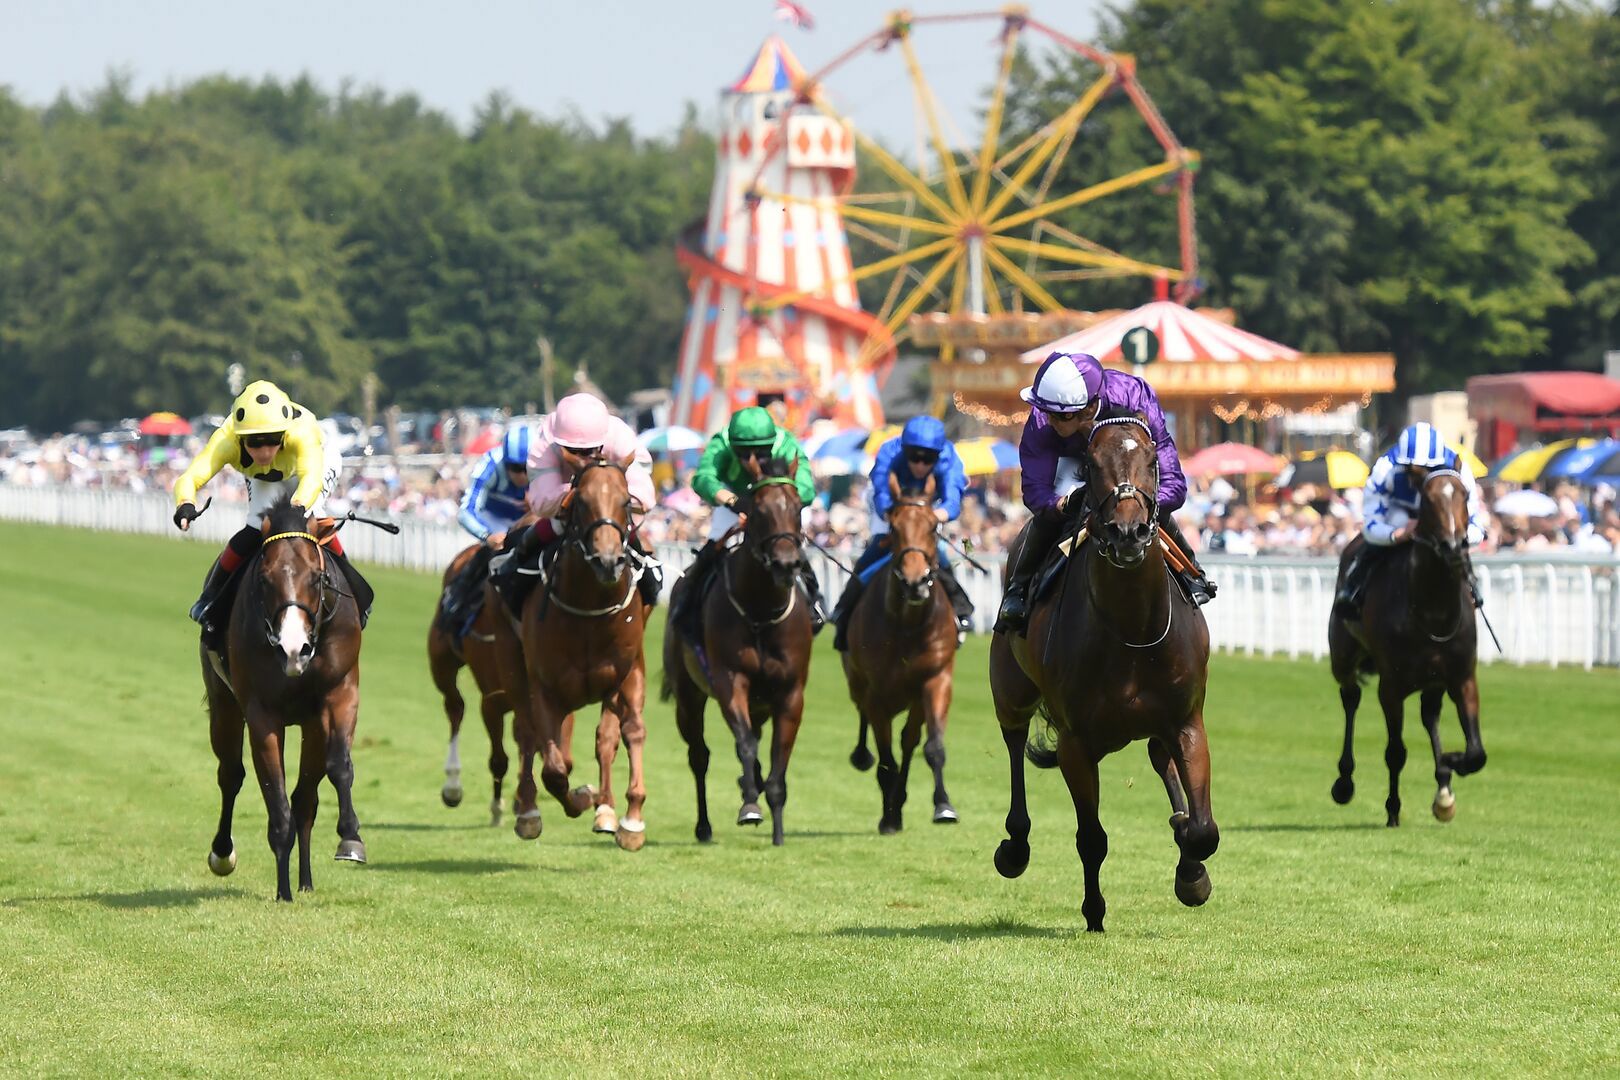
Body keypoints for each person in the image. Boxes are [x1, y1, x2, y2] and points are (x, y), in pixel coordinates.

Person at [995, 351, 1215, 635]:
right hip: (1070, 458)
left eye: (1057, 416)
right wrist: (1059, 505)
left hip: (1123, 459)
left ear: (1087, 410)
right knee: (1047, 520)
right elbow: (1035, 489)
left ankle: (1190, 572)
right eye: (1046, 412)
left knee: (1147, 510)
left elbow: (1173, 481)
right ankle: (1019, 588)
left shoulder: (1135, 396)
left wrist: (1138, 504)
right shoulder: (1044, 417)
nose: (1047, 419)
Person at [172, 380, 372, 634]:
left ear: (285, 434)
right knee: (256, 527)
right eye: (254, 442)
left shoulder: (302, 434)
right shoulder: (226, 440)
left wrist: (299, 506)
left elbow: (311, 476)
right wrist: (185, 503)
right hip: (266, 478)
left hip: (315, 462)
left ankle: (356, 593)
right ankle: (210, 596)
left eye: (272, 440)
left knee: (314, 517)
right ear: (240, 438)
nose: (265, 451)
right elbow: (189, 478)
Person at [490, 394, 659, 611]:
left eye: (588, 451)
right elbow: (542, 504)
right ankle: (515, 562)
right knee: (547, 528)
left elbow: (644, 498)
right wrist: (583, 493)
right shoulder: (545, 446)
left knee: (634, 541)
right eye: (573, 452)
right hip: (565, 511)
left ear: (602, 442)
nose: (582, 457)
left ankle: (651, 580)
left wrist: (605, 497)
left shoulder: (622, 440)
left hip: (613, 509)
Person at [673, 405, 824, 638]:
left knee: (791, 548)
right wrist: (733, 501)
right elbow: (703, 478)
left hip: (775, 506)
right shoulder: (721, 442)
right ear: (733, 445)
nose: (753, 460)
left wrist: (774, 501)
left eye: (762, 453)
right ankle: (686, 603)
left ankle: (814, 603)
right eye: (744, 454)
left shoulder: (786, 444)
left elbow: (805, 489)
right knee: (714, 546)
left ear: (772, 444)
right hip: (735, 502)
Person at [829, 415, 973, 650]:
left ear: (938, 455)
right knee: (876, 552)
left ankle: (960, 610)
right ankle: (843, 610)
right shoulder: (889, 452)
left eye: (928, 460)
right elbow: (882, 492)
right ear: (904, 450)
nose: (920, 465)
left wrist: (930, 519)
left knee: (938, 556)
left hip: (927, 509)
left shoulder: (949, 458)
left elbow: (952, 500)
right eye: (914, 457)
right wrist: (896, 518)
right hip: (888, 508)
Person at [1333, 422, 1488, 619]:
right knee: (1393, 524)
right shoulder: (1384, 469)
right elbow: (1370, 526)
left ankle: (1472, 585)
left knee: (1454, 544)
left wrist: (1459, 539)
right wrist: (1396, 535)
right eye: (1412, 470)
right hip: (1398, 515)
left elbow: (1477, 526)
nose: (1420, 475)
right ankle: (1353, 588)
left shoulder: (1459, 470)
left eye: (1428, 469)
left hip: (1438, 521)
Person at [440, 424, 532, 632]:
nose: (522, 476)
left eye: (526, 468)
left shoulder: (545, 466)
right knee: (489, 555)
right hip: (495, 522)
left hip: (530, 520)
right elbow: (466, 510)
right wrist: (487, 535)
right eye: (514, 468)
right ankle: (457, 603)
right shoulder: (491, 464)